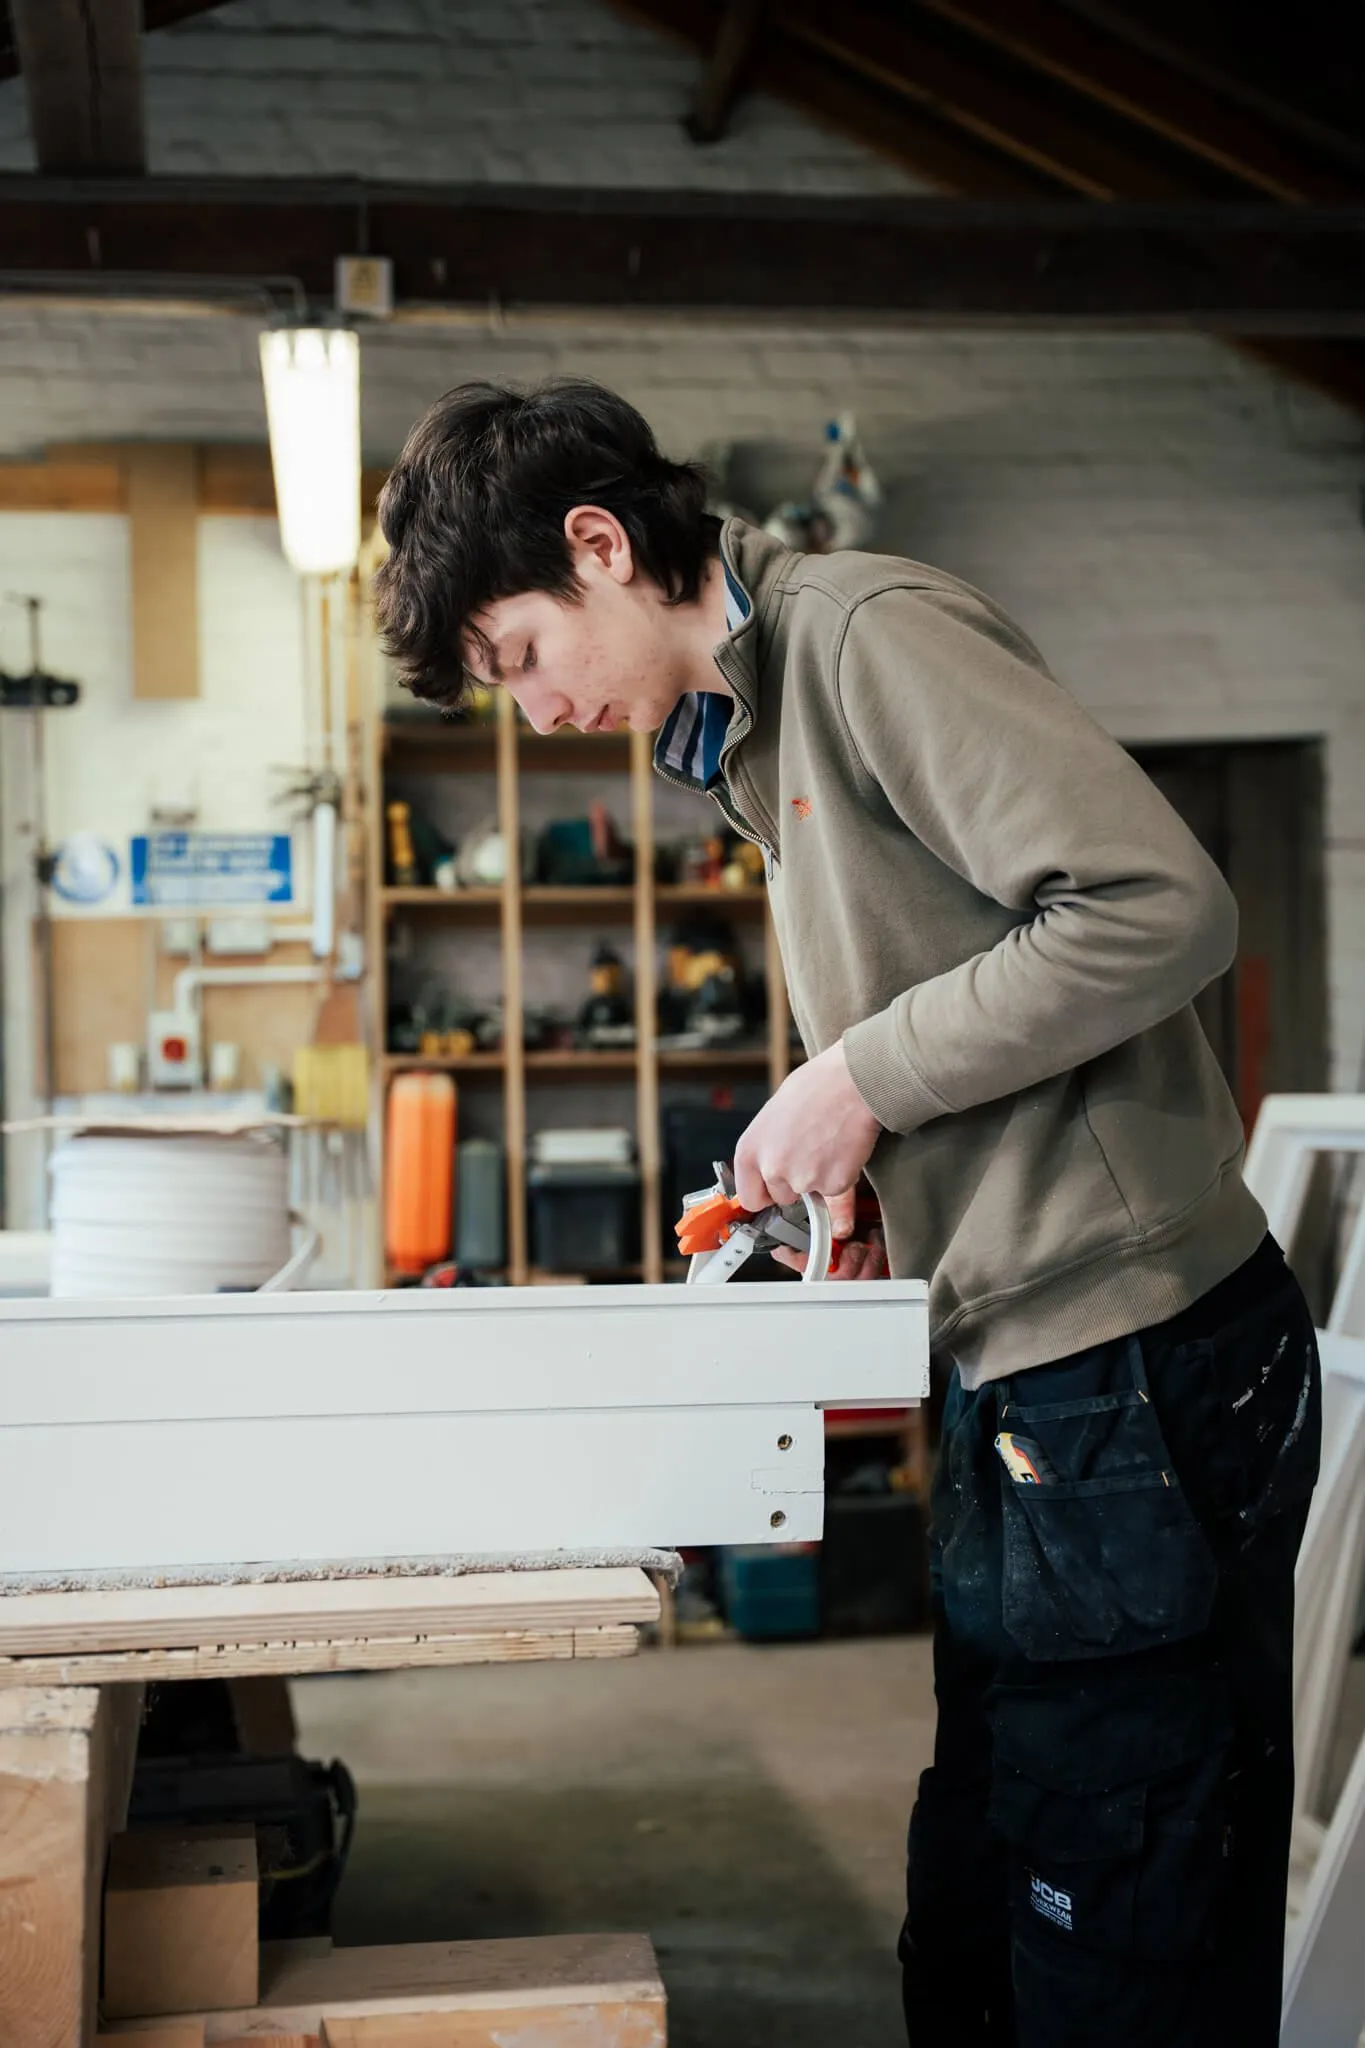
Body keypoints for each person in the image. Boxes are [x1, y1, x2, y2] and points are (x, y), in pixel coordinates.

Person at [373, 377, 1321, 2047]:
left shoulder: (865, 633)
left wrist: (861, 1078)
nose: (528, 713)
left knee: (1122, 1928)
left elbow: (1161, 910)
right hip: (1023, 1370)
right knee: (983, 1897)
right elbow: (973, 982)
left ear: (598, 547)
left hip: (1137, 1365)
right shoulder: (749, 734)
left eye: (517, 656)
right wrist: (874, 1188)